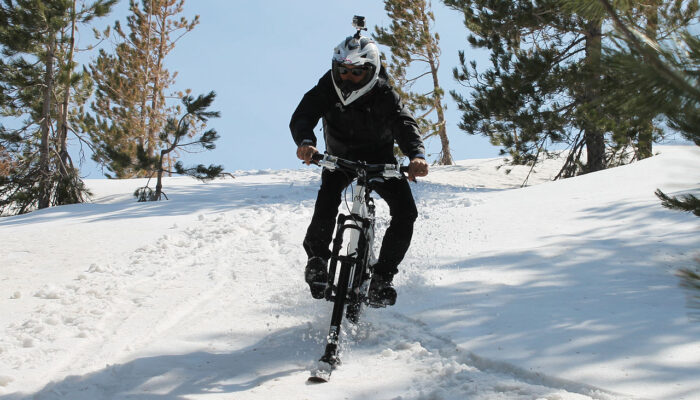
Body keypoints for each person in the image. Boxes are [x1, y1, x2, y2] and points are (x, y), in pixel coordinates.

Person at [289, 27, 428, 306]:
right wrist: (306, 142)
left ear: (372, 70)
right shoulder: (327, 87)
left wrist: (416, 155)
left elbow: (405, 124)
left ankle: (382, 278)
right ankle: (316, 261)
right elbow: (303, 115)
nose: (348, 77)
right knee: (327, 201)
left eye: (356, 72)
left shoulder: (385, 93)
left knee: (406, 212)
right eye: (343, 71)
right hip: (339, 158)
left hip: (380, 162)